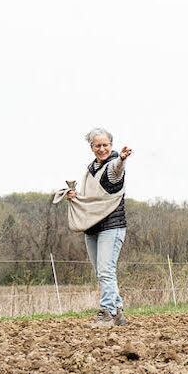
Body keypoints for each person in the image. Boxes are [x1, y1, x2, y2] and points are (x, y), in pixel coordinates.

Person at [65, 128, 133, 326]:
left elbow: (116, 171)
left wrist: (122, 159)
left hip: (112, 226)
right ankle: (118, 312)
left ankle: (107, 312)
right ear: (92, 147)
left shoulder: (113, 165)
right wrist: (75, 196)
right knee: (103, 272)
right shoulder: (91, 169)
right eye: (98, 145)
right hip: (93, 227)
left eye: (105, 145)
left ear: (111, 146)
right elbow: (90, 198)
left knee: (105, 271)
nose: (102, 148)